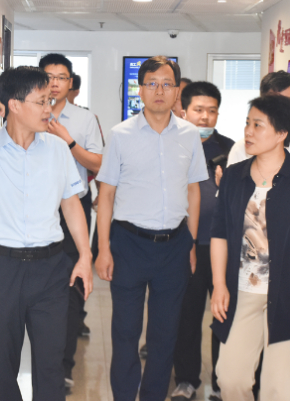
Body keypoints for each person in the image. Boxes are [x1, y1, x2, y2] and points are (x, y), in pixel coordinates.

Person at [0, 66, 94, 400]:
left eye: (50, 101)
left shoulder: (57, 148)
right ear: (14, 105)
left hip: (51, 268)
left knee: (51, 366)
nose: (48, 109)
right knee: (1, 367)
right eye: (41, 101)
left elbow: (71, 204)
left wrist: (85, 256)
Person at [94, 56, 208, 401]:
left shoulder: (190, 135)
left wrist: (191, 242)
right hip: (128, 243)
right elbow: (106, 194)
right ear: (140, 90)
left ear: (177, 92)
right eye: (152, 83)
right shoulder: (120, 135)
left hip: (174, 245)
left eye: (167, 84)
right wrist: (103, 248)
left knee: (165, 334)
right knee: (125, 332)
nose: (160, 90)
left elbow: (194, 191)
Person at [209, 94, 290, 401]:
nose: (248, 132)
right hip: (242, 292)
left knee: (278, 388)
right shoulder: (234, 176)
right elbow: (220, 234)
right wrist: (219, 284)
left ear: (281, 133)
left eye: (258, 125)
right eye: (247, 123)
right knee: (231, 379)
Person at [37, 53, 105, 393]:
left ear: (71, 83)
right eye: (48, 76)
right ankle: (41, 362)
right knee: (40, 288)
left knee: (72, 286)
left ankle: (63, 366)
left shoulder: (84, 119)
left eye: (61, 77)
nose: (54, 83)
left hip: (73, 207)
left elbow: (98, 163)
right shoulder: (25, 111)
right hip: (36, 208)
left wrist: (68, 140)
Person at [170, 81, 235, 401]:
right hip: (184, 244)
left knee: (224, 314)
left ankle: (223, 382)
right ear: (183, 111)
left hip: (223, 246)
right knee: (187, 314)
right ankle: (186, 379)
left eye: (212, 111)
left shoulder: (233, 149)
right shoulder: (171, 145)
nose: (205, 117)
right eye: (198, 110)